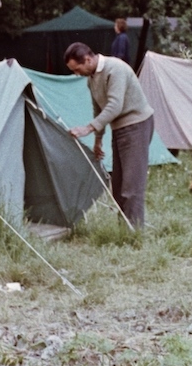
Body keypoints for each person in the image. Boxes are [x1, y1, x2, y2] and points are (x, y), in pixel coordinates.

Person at [65, 41, 156, 229]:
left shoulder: (115, 69)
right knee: (118, 185)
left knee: (132, 187)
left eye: (77, 68)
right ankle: (125, 230)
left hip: (137, 125)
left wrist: (87, 129)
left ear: (88, 59)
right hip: (120, 129)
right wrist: (98, 140)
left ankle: (135, 234)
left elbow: (115, 105)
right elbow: (98, 108)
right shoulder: (91, 78)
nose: (77, 74)